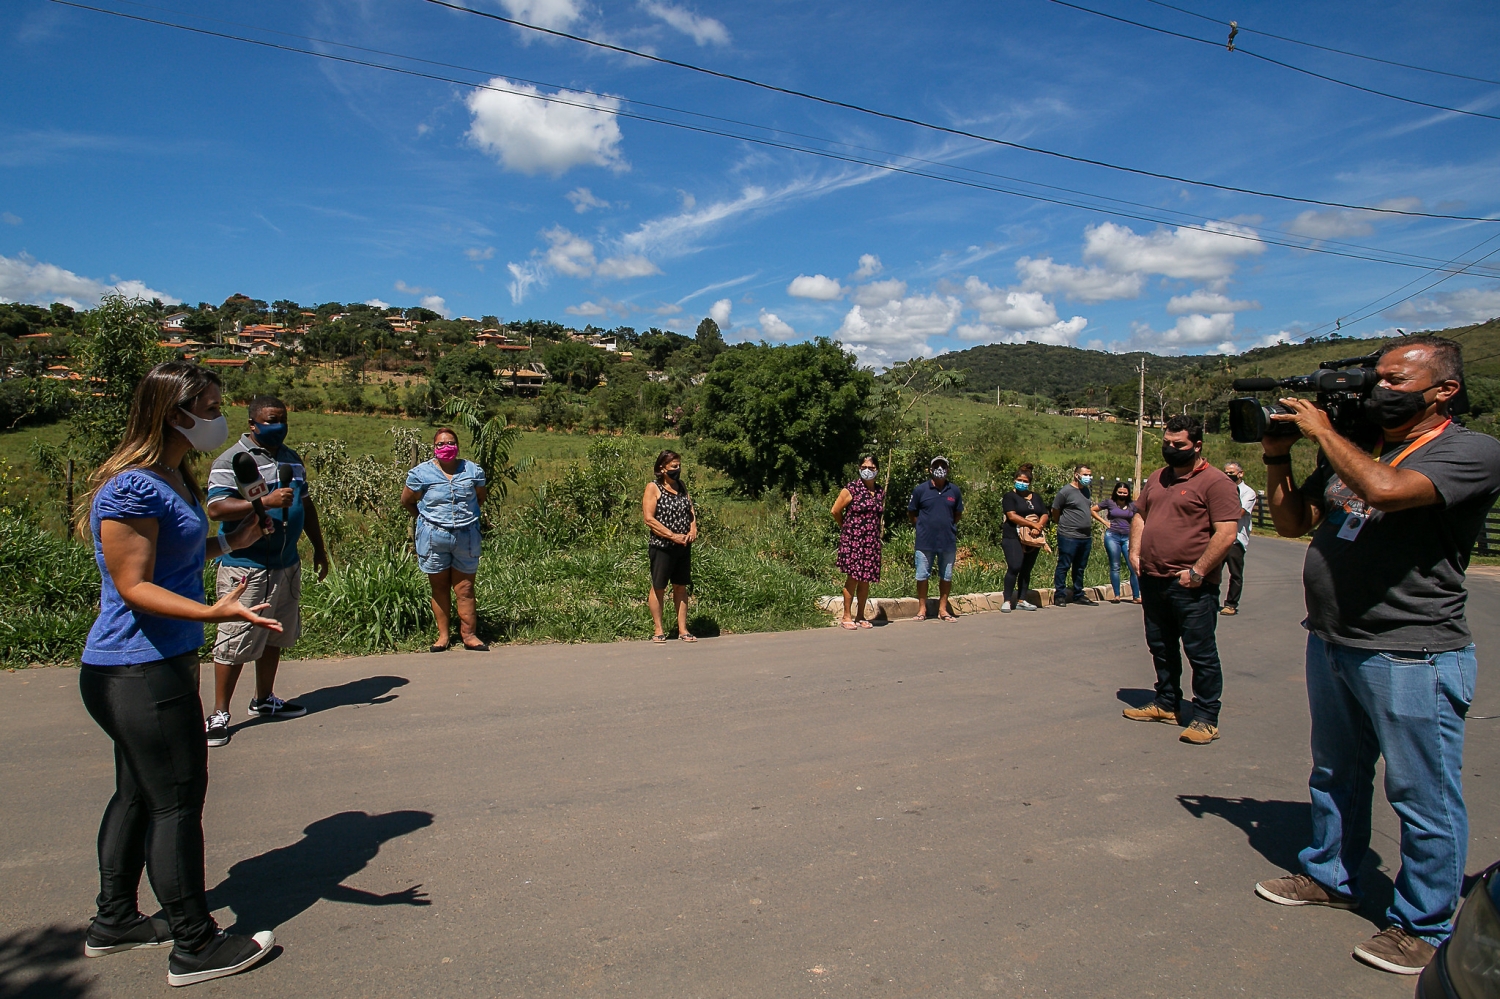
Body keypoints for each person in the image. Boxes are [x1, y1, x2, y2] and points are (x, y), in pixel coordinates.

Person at [1251, 336, 1500, 976]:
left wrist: (1325, 432)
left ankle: (1424, 923)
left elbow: (1388, 492)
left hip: (1411, 649)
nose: (1378, 388)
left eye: (1393, 379)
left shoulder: (1469, 451)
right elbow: (1290, 522)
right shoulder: (1359, 453)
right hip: (1333, 639)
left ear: (1443, 388)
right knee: (1335, 772)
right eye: (1376, 378)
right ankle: (1331, 874)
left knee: (1422, 794)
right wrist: (1279, 458)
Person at [76, 361, 278, 986]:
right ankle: (194, 944)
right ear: (174, 412)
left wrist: (234, 539)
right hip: (137, 668)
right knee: (176, 803)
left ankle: (114, 922)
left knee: (139, 793)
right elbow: (133, 585)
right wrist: (213, 611)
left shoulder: (172, 477)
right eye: (211, 405)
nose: (219, 416)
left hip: (150, 665)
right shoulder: (132, 485)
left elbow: (178, 558)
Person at [203, 396, 329, 747]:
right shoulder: (233, 460)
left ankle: (264, 699)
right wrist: (263, 503)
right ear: (253, 424)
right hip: (247, 567)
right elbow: (216, 509)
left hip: (286, 563)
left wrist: (319, 548)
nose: (279, 425)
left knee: (275, 633)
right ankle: (219, 713)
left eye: (284, 419)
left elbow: (306, 503)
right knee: (234, 639)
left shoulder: (291, 459)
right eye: (272, 419)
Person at [1123, 415, 1242, 746]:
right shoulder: (1157, 478)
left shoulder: (1216, 483)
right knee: (1160, 645)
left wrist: (1199, 571)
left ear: (1197, 445)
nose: (1171, 449)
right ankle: (1166, 703)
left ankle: (1205, 717)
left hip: (1191, 584)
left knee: (1200, 651)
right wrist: (1135, 553)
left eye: (1179, 445)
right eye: (1167, 443)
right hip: (1153, 578)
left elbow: (1226, 533)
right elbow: (1140, 514)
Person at [401, 428, 489, 652]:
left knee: (465, 588)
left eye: (450, 442)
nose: (445, 447)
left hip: (466, 536)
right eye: (440, 444)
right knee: (439, 587)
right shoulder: (421, 473)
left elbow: (480, 498)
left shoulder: (473, 471)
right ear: (433, 447)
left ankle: (469, 635)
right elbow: (407, 501)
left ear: (458, 445)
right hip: (434, 537)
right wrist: (424, 519)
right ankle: (443, 636)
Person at [642, 450, 697, 642]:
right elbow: (649, 519)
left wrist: (693, 528)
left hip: (683, 546)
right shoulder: (653, 488)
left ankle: (683, 629)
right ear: (662, 468)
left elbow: (690, 509)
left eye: (679, 465)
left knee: (680, 586)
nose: (677, 469)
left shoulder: (681, 486)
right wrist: (672, 536)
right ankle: (658, 629)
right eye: (673, 466)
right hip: (662, 546)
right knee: (659, 587)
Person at [831, 455, 885, 629]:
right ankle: (847, 616)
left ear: (877, 470)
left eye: (870, 468)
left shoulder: (879, 491)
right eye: (863, 467)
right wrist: (846, 527)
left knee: (865, 579)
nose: (867, 471)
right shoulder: (851, 489)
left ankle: (861, 615)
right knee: (853, 578)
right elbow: (835, 511)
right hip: (854, 539)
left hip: (871, 541)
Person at [908, 456, 963, 621]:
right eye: (936, 466)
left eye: (943, 466)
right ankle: (922, 609)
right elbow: (912, 512)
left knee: (946, 576)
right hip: (925, 541)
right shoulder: (920, 490)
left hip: (947, 541)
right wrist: (922, 526)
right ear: (930, 469)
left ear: (948, 469)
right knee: (922, 575)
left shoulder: (954, 491)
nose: (940, 468)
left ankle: (943, 609)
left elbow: (957, 513)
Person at [1000, 464, 1048, 612]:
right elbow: (1011, 515)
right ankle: (1007, 600)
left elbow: (1045, 513)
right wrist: (1032, 525)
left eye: (1025, 481)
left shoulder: (1036, 497)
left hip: (1032, 539)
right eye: (1019, 480)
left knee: (1026, 569)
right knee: (1014, 566)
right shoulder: (1009, 497)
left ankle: (1022, 599)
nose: (1022, 483)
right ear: (1015, 480)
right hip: (1013, 537)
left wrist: (1039, 525)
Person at [1050, 464, 1097, 606]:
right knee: (1064, 565)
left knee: (1080, 567)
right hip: (1068, 535)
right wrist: (1061, 524)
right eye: (1085, 475)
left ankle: (1078, 594)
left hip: (1085, 537)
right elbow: (1055, 510)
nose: (1088, 478)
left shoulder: (1086, 491)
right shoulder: (1065, 491)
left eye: (1090, 475)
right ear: (1076, 475)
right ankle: (1060, 595)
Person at [1219, 461, 1257, 616]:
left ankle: (1231, 604)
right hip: (1219, 537)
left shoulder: (1248, 493)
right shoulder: (1220, 490)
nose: (1228, 475)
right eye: (1226, 472)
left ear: (1240, 473)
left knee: (1235, 573)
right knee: (1212, 571)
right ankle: (1210, 600)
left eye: (1231, 473)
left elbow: (1239, 513)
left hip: (1236, 539)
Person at [1095, 481, 1140, 603]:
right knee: (1115, 566)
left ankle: (1136, 596)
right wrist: (1104, 522)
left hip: (1127, 537)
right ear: (1115, 492)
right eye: (1120, 492)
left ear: (1128, 493)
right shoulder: (1109, 503)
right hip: (1112, 536)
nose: (1122, 494)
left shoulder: (1133, 505)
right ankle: (1117, 595)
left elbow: (1141, 516)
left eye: (1125, 493)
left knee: (1133, 566)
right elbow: (1092, 510)